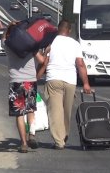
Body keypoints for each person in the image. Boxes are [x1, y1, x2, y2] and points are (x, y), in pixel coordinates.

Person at [37, 20, 92, 150]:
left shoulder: (51, 42)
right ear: (69, 31)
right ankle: (64, 136)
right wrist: (86, 84)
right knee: (66, 112)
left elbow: (44, 61)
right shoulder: (75, 44)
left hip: (53, 79)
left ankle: (59, 141)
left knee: (55, 111)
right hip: (70, 81)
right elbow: (80, 64)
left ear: (58, 29)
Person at [3, 22, 46, 153]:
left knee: (19, 114)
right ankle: (32, 134)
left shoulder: (8, 45)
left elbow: (4, 38)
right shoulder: (30, 45)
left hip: (16, 82)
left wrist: (8, 27)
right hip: (30, 82)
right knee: (30, 110)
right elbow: (42, 61)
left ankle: (23, 144)